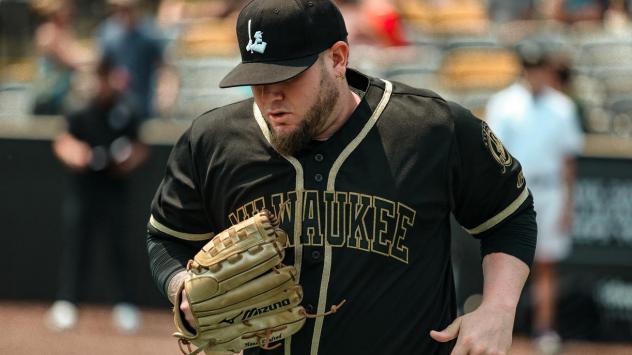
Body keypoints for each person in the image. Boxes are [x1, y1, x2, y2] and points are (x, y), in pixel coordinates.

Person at [146, 0, 537, 354]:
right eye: (258, 80)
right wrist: (181, 286)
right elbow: (167, 237)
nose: (270, 97)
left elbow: (510, 215)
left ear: (337, 58)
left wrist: (498, 310)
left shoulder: (431, 128)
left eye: (287, 78)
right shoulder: (212, 141)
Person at [486, 41, 584, 355]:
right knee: (505, 262)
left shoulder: (562, 107)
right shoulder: (503, 103)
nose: (536, 74)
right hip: (514, 191)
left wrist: (568, 202)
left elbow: (568, 161)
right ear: (523, 69)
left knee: (546, 265)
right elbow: (493, 154)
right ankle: (500, 327)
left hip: (550, 189)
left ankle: (544, 329)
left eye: (540, 67)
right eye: (530, 67)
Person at [46, 56, 149, 333]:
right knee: (78, 244)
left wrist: (128, 160)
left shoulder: (128, 107)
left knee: (118, 245)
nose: (97, 84)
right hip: (83, 187)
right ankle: (68, 303)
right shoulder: (78, 107)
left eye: (102, 77)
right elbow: (63, 141)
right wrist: (76, 154)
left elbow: (140, 146)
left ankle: (125, 305)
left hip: (115, 188)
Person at [98, 0, 168, 120]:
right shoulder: (107, 32)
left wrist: (164, 94)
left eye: (128, 8)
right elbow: (101, 68)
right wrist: (111, 81)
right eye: (120, 8)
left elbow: (163, 67)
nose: (124, 12)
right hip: (115, 106)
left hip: (144, 105)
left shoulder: (150, 31)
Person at [31, 0, 92, 115]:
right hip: (47, 99)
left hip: (61, 97)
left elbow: (79, 54)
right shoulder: (47, 33)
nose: (69, 12)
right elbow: (70, 60)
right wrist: (92, 62)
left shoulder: (66, 33)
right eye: (65, 8)